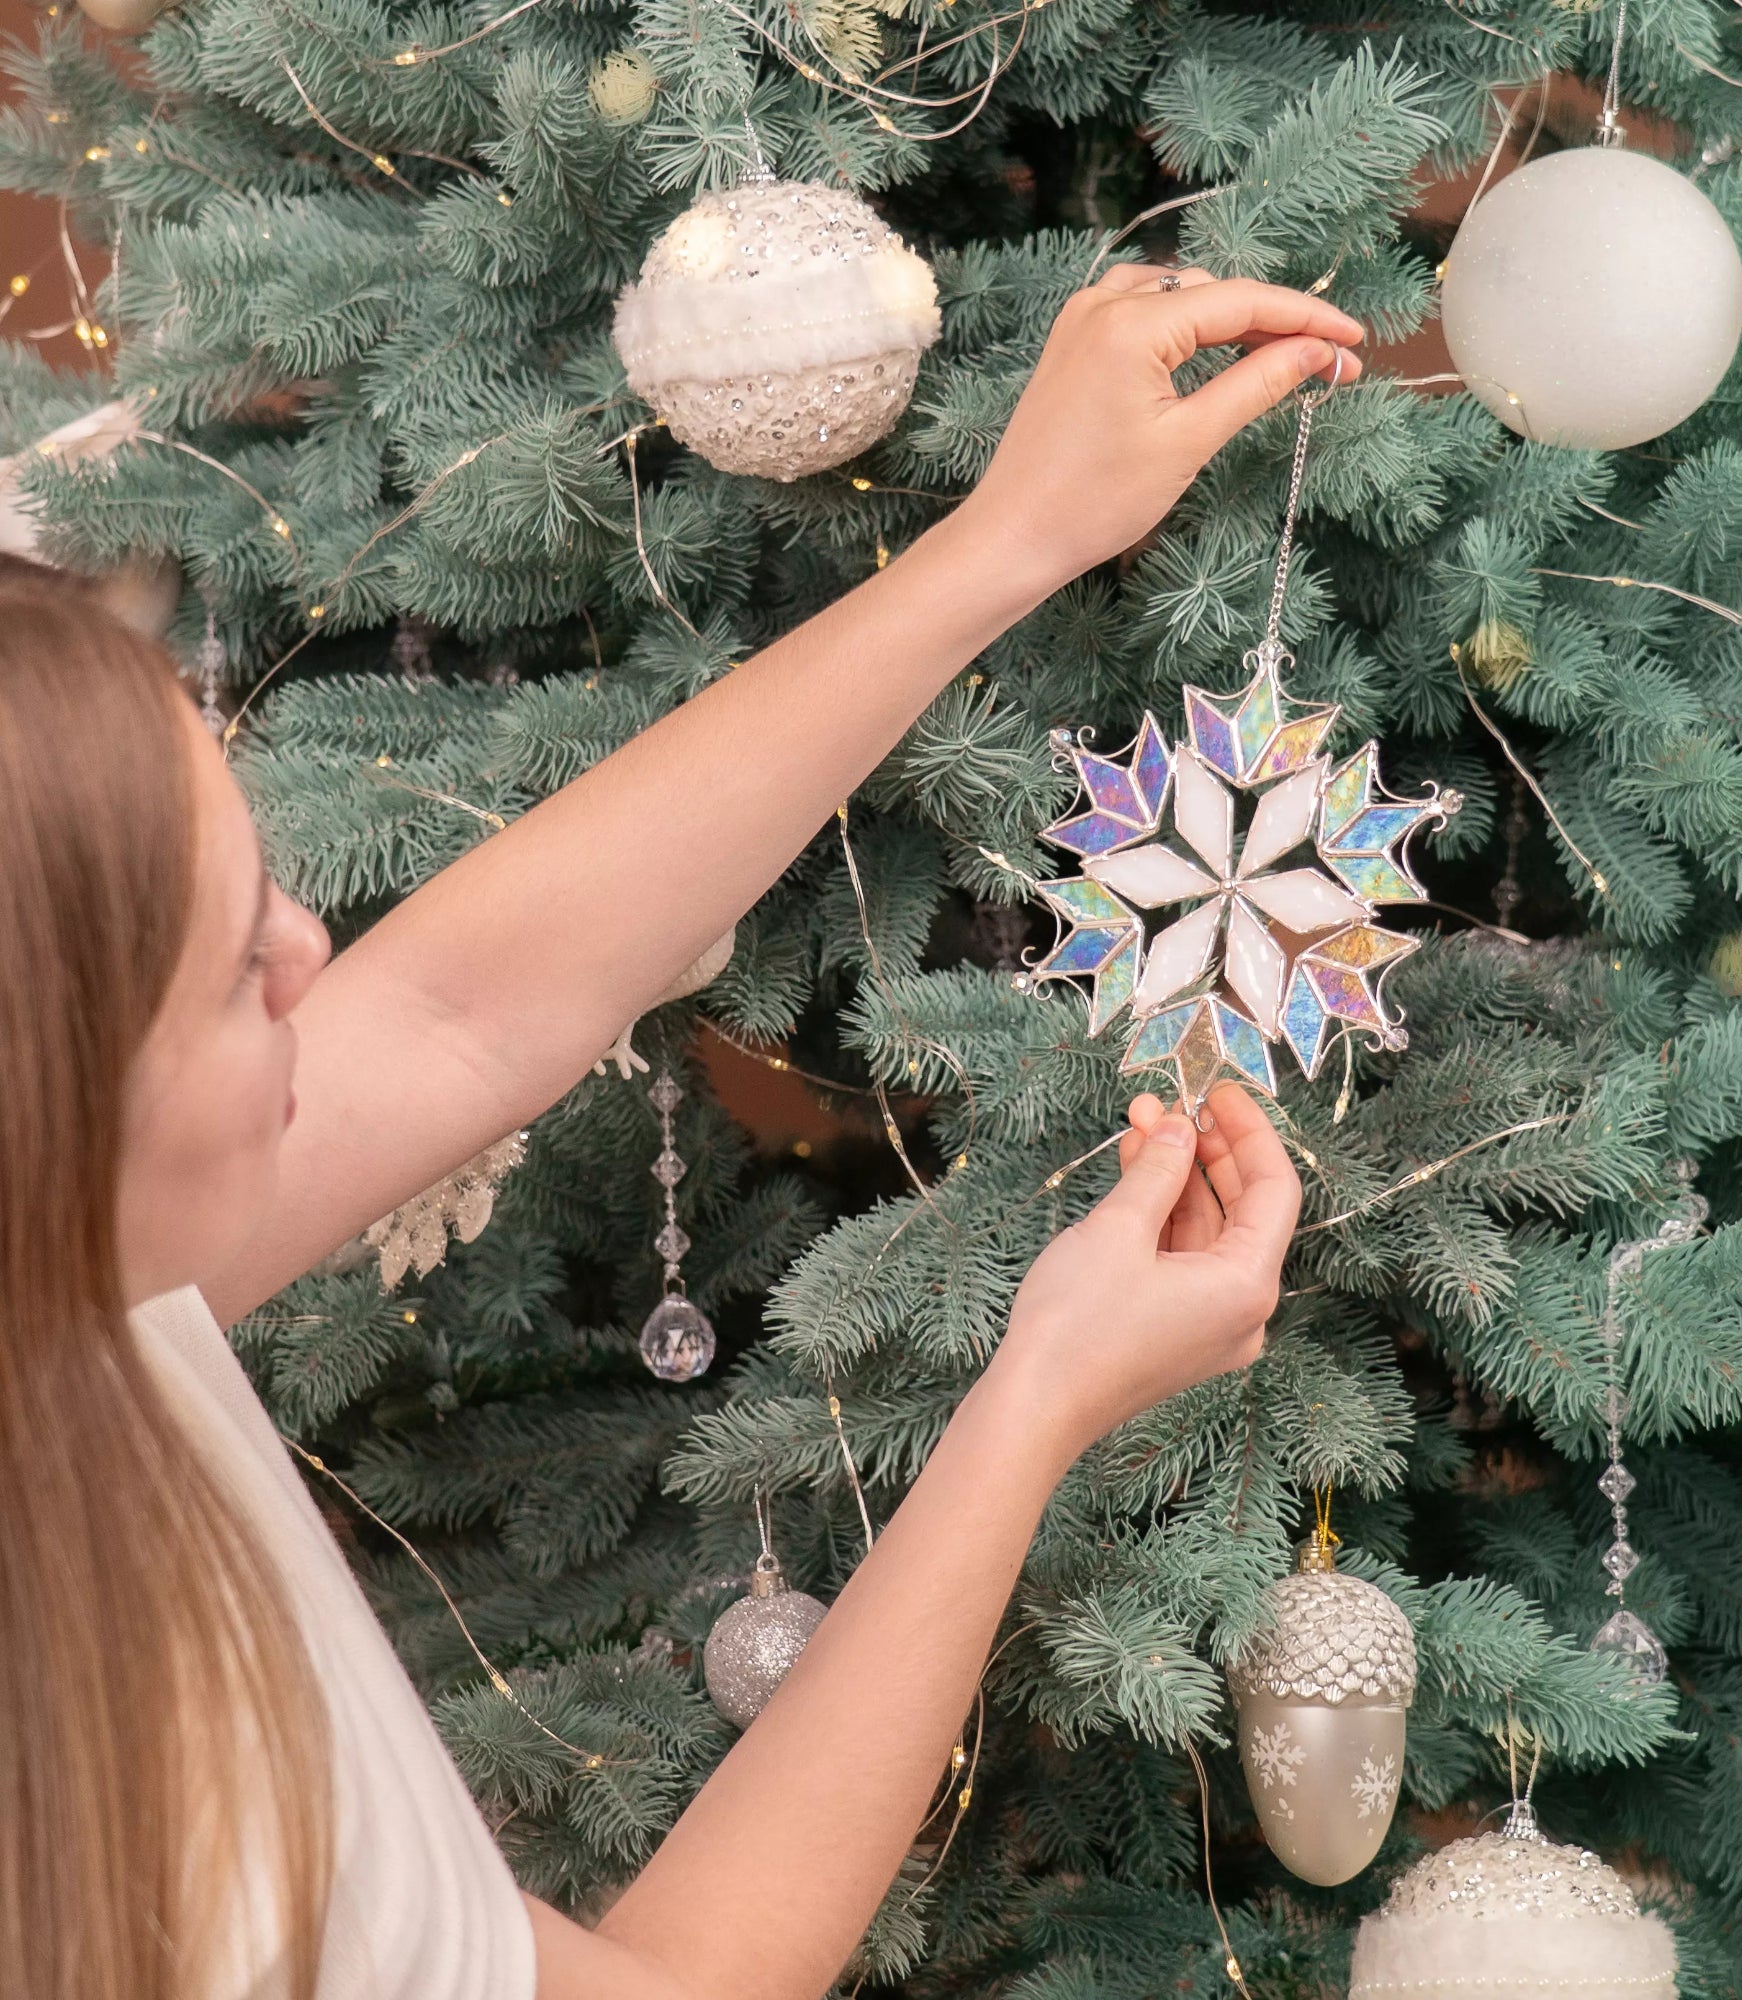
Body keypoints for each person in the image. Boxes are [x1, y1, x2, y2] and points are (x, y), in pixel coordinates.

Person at [1, 265, 1358, 2000]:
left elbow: (456, 1013)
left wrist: (1007, 540)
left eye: (259, 870)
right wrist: (1036, 1402)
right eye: (219, 971)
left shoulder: (72, 1289)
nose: (307, 953)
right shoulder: (149, 1762)